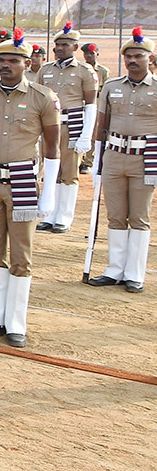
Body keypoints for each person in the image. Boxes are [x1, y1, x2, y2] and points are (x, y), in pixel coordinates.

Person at [0, 35, 60, 348]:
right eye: (2, 61)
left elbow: (52, 148)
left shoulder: (42, 98)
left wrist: (48, 193)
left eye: (14, 61)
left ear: (27, 63)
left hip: (22, 181)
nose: (6, 66)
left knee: (21, 255)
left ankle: (15, 322)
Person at [88, 27, 156, 293]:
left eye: (138, 55)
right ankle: (115, 269)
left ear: (150, 59)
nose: (132, 60)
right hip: (115, 155)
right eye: (128, 56)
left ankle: (134, 273)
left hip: (145, 158)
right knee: (115, 215)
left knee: (139, 216)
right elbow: (101, 125)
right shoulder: (112, 87)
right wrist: (96, 158)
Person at [34, 24, 97, 234]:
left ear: (75, 47)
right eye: (57, 45)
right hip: (49, 126)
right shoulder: (46, 70)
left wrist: (86, 135)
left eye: (64, 45)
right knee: (52, 170)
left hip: (72, 126)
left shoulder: (85, 71)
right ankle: (50, 213)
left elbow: (91, 105)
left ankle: (64, 216)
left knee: (68, 173)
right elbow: (37, 99)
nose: (59, 49)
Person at [80, 42, 111, 173]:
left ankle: (87, 161)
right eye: (86, 53)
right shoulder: (80, 69)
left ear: (97, 53)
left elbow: (105, 91)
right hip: (80, 103)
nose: (89, 56)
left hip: (96, 104)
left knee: (92, 132)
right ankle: (77, 159)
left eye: (92, 53)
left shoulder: (103, 71)